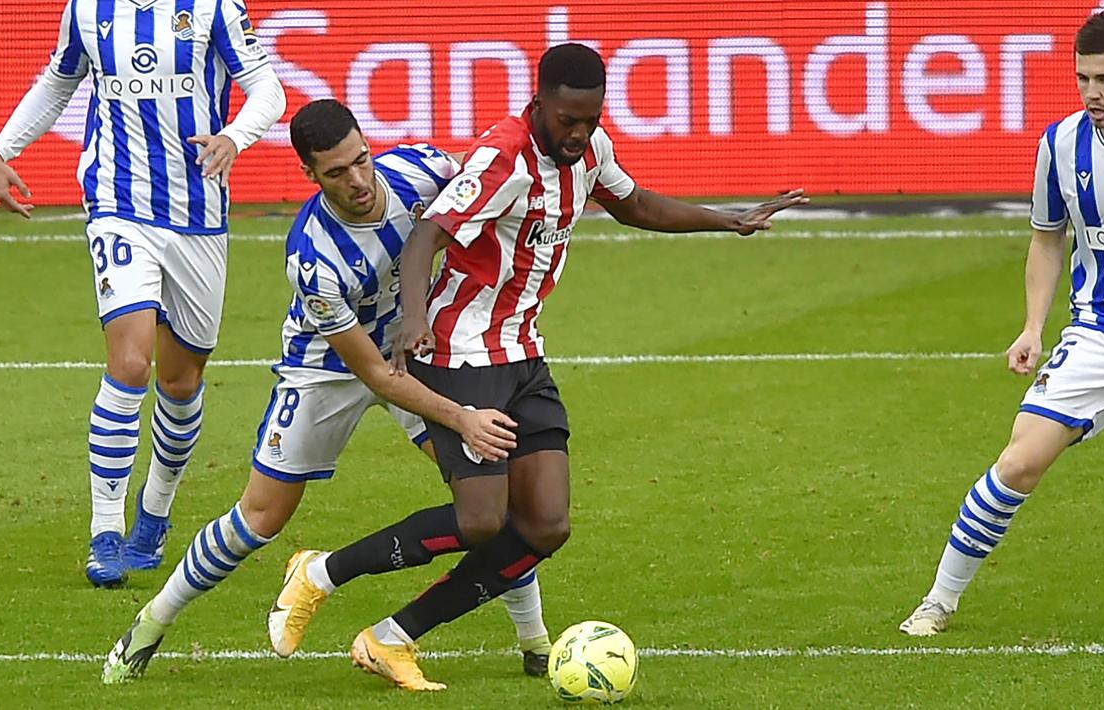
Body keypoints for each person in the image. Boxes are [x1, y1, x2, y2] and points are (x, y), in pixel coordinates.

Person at [269, 42, 807, 692]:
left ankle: (391, 636)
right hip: (460, 353)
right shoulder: (502, 158)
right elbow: (426, 234)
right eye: (567, 120)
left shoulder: (590, 150)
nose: (578, 133)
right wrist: (413, 318)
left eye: (590, 119)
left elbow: (635, 204)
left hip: (523, 353)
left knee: (547, 524)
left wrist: (727, 221)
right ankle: (321, 573)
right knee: (480, 519)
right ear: (540, 102)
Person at [102, 99, 549, 683]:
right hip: (329, 369)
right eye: (337, 172)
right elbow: (372, 374)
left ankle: (535, 640)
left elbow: (485, 193)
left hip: (416, 349)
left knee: (490, 492)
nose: (358, 180)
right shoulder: (314, 257)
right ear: (309, 174)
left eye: (361, 160)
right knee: (260, 517)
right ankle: (151, 623)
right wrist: (461, 417)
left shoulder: (423, 170)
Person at [900, 11, 1104, 637]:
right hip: (1099, 333)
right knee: (1019, 464)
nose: (1092, 93)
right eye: (1082, 79)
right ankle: (938, 601)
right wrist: (1032, 327)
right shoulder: (1060, 145)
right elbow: (1046, 240)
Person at [0, 0, 287, 586]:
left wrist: (233, 137)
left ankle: (155, 510)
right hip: (118, 205)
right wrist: (1, 150)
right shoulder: (87, 10)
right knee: (129, 364)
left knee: (182, 380)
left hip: (198, 215)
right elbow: (58, 81)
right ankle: (105, 533)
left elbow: (268, 90)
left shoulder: (214, 9)